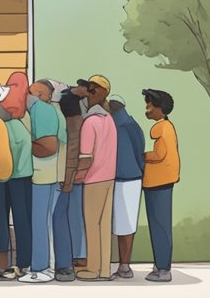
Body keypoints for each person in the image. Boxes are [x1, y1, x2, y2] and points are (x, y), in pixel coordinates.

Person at [0, 76, 32, 280]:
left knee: (0, 220)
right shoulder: (19, 123)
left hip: (3, 177)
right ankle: (24, 265)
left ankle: (2, 266)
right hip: (22, 175)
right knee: (22, 220)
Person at [20, 79, 64, 283]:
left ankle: (41, 268)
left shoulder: (41, 109)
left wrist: (24, 145)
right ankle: (48, 265)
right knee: (45, 221)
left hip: (43, 173)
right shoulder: (48, 109)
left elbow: (48, 146)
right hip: (50, 173)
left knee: (40, 221)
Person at [77, 75, 117, 281]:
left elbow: (85, 157)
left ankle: (93, 269)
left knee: (92, 225)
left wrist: (76, 176)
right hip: (109, 178)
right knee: (104, 225)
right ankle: (104, 269)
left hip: (93, 179)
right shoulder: (109, 119)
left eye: (91, 91)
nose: (87, 95)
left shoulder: (90, 121)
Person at [141, 88, 179, 282]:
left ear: (159, 108)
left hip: (158, 183)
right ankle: (160, 264)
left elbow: (159, 155)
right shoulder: (168, 127)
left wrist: (143, 156)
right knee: (159, 225)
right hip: (162, 181)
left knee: (159, 226)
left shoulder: (161, 128)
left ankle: (163, 268)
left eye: (149, 105)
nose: (146, 109)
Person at [52, 83, 87, 282]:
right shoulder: (73, 116)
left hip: (64, 176)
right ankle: (67, 261)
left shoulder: (72, 119)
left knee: (60, 218)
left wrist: (68, 177)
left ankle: (64, 264)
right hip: (66, 175)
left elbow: (72, 150)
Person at [109, 94, 146, 280]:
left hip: (127, 179)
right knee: (124, 224)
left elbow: (139, 153)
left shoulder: (125, 126)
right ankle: (123, 265)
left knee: (125, 224)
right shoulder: (132, 125)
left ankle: (124, 266)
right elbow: (140, 151)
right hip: (125, 178)